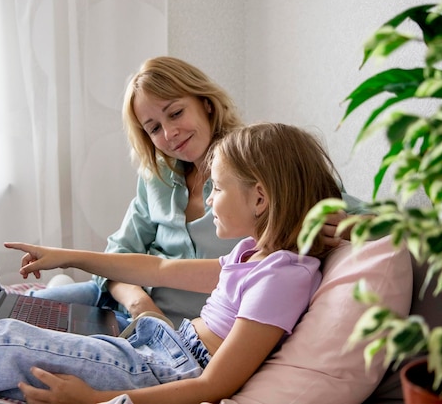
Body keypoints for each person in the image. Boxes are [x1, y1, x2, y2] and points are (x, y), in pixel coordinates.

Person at [0, 122, 344, 404]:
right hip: (160, 342)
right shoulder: (251, 254)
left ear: (260, 198)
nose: (210, 199)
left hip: (162, 371)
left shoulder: (283, 274)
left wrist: (98, 403)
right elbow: (159, 270)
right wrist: (69, 257)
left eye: (220, 188)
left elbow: (215, 386)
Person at [30, 56, 365, 330]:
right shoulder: (156, 178)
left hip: (177, 333)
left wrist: (347, 223)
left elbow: (371, 215)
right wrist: (140, 304)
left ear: (205, 103)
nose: (170, 133)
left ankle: (58, 287)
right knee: (2, 314)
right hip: (121, 304)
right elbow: (119, 253)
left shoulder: (258, 162)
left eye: (176, 113)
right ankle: (55, 287)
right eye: (154, 128)